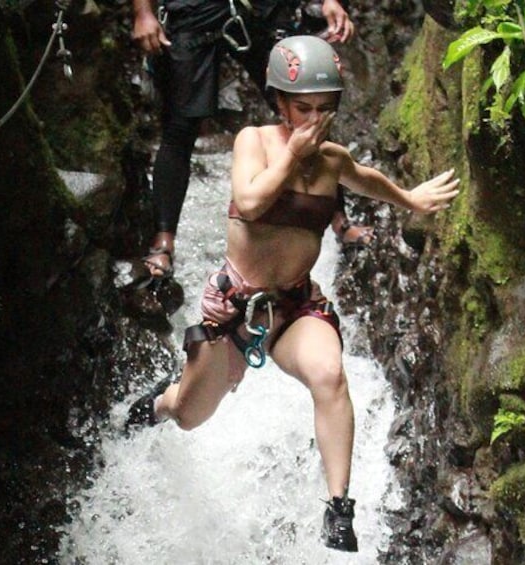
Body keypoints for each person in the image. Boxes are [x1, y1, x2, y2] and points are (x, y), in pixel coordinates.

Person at [125, 35, 460, 551]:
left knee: (329, 373)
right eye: (302, 108)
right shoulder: (253, 142)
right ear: (279, 101)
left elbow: (365, 178)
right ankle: (162, 402)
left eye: (324, 110)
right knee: (190, 417)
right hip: (236, 309)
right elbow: (251, 200)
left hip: (296, 304)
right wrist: (293, 156)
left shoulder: (331, 159)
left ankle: (339, 510)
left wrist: (409, 199)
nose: (313, 120)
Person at [131, 0, 373, 283]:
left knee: (305, 110)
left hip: (260, 10)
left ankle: (339, 221)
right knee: (179, 128)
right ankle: (164, 241)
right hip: (191, 12)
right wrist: (143, 12)